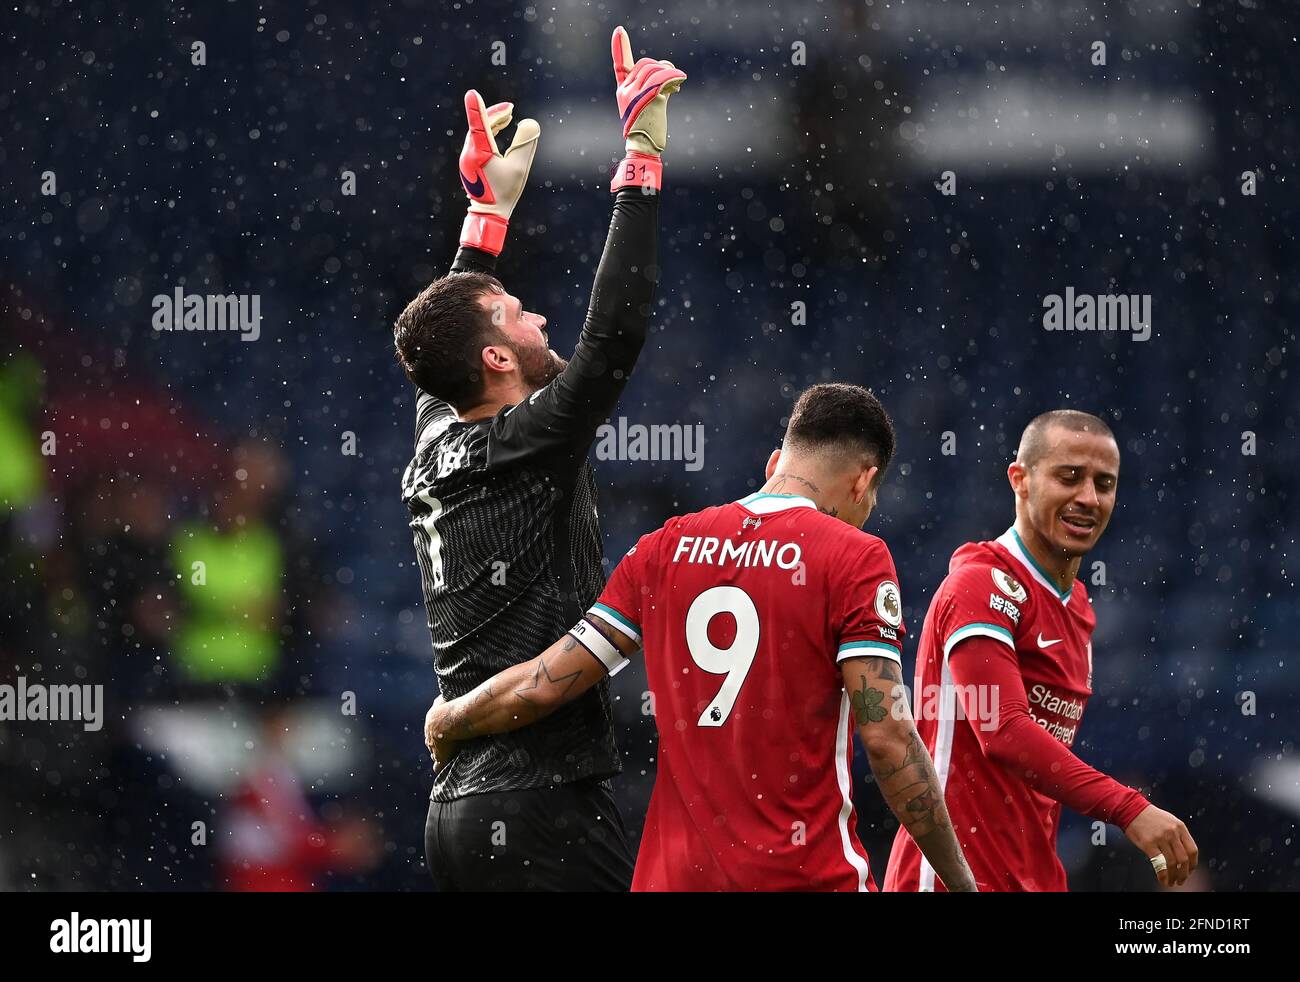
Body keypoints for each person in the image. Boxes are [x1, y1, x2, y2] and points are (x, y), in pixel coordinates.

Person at [427, 384, 978, 892]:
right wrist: (960, 880)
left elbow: (545, 683)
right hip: (802, 874)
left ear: (774, 464)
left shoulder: (667, 545)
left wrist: (451, 718)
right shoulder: (854, 556)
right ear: (863, 480)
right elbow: (888, 738)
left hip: (675, 877)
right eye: (871, 499)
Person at [394, 27, 685, 891]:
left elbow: (450, 329)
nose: (539, 320)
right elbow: (612, 342)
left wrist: (485, 219)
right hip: (538, 801)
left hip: (457, 811)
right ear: (494, 359)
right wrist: (640, 160)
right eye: (520, 315)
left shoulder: (440, 429)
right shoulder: (522, 442)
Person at [884, 410, 1199, 891]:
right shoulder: (980, 585)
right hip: (951, 879)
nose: (1088, 498)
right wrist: (1128, 806)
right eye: (1068, 477)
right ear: (1021, 480)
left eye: (1104, 483)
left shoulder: (1077, 604)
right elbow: (1003, 730)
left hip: (1033, 878)